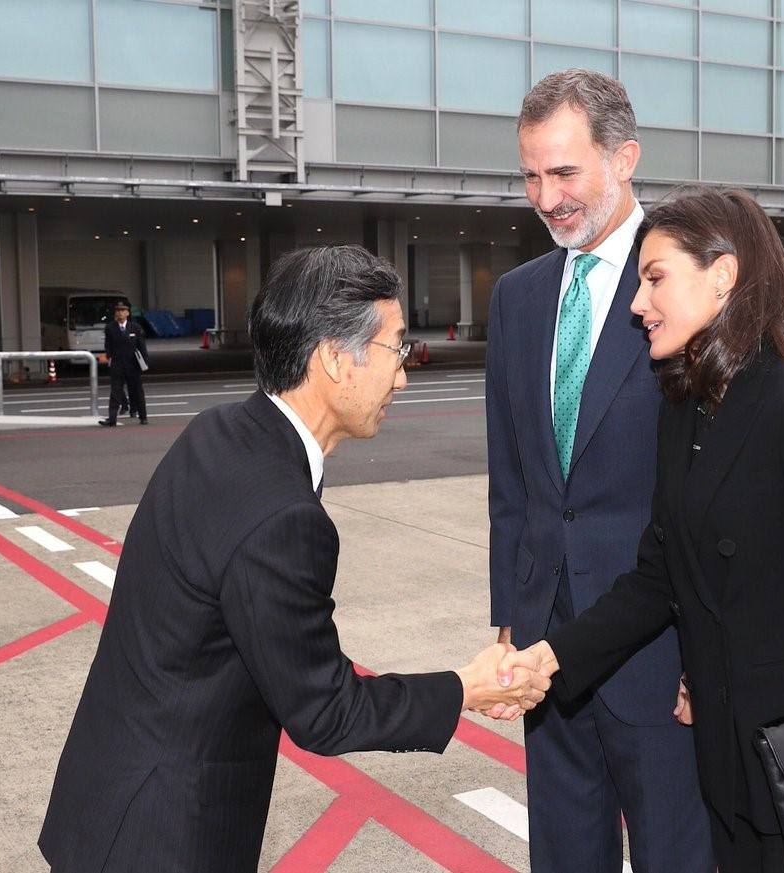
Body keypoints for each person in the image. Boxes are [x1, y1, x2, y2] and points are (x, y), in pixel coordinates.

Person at [40, 246, 550, 873]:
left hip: (109, 794)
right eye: (396, 350)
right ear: (336, 359)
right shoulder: (285, 517)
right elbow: (325, 712)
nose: (403, 376)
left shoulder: (218, 431)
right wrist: (464, 688)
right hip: (167, 830)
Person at [506, 188, 784, 872]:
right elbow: (658, 574)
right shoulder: (687, 407)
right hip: (725, 760)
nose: (637, 303)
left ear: (724, 274)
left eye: (655, 279)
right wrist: (551, 657)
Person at [486, 70, 710, 872]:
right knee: (565, 852)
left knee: (675, 854)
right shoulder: (517, 297)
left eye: (565, 172)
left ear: (625, 159)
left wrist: (707, 651)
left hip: (658, 644)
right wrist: (512, 613)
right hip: (547, 644)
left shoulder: (683, 287)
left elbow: (715, 492)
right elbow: (510, 477)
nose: (546, 197)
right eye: (530, 175)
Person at [99, 300, 149, 426]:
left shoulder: (135, 328)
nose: (120, 313)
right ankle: (112, 419)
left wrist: (145, 362)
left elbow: (142, 346)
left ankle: (143, 416)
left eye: (123, 311)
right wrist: (108, 357)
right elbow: (108, 346)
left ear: (127, 313)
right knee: (115, 392)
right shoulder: (110, 328)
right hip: (117, 364)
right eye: (118, 311)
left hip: (133, 365)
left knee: (137, 391)